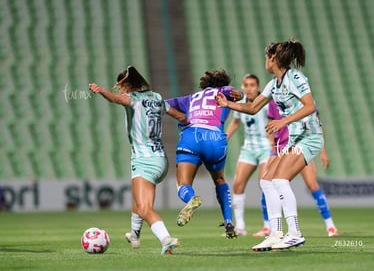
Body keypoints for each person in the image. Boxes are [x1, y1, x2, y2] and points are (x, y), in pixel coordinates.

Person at [216, 39, 324, 251]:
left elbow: (310, 106)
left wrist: (283, 121)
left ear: (273, 58)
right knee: (266, 180)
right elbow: (253, 107)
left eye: (267, 57)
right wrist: (227, 104)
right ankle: (275, 234)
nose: (265, 61)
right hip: (295, 138)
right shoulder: (273, 84)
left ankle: (295, 233)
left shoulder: (295, 77)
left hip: (309, 136)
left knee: (280, 179)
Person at [89, 66, 186, 255]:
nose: (119, 91)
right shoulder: (157, 97)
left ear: (125, 85)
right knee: (138, 198)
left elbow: (116, 99)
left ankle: (166, 239)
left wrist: (101, 91)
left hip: (144, 160)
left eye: (120, 87)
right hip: (161, 160)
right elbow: (181, 116)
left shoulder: (132, 99)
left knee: (144, 207)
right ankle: (134, 235)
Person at [165, 69, 239, 239]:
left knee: (182, 184)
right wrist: (238, 94)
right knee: (219, 179)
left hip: (191, 137)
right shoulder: (224, 91)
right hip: (214, 138)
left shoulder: (190, 98)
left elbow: (162, 104)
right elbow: (236, 94)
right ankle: (228, 221)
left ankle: (191, 199)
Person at [267, 98, 338, 237]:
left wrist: (323, 151)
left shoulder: (307, 102)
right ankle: (272, 228)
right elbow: (270, 125)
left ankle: (330, 225)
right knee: (268, 184)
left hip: (301, 146)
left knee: (312, 185)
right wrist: (271, 144)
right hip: (281, 148)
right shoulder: (273, 102)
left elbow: (318, 125)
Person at [225, 74, 272, 237]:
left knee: (264, 183)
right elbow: (236, 122)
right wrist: (226, 138)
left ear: (258, 87)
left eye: (252, 85)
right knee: (237, 184)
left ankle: (268, 226)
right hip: (249, 148)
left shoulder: (265, 102)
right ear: (243, 87)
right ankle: (241, 227)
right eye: (246, 85)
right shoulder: (240, 103)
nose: (249, 88)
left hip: (266, 146)